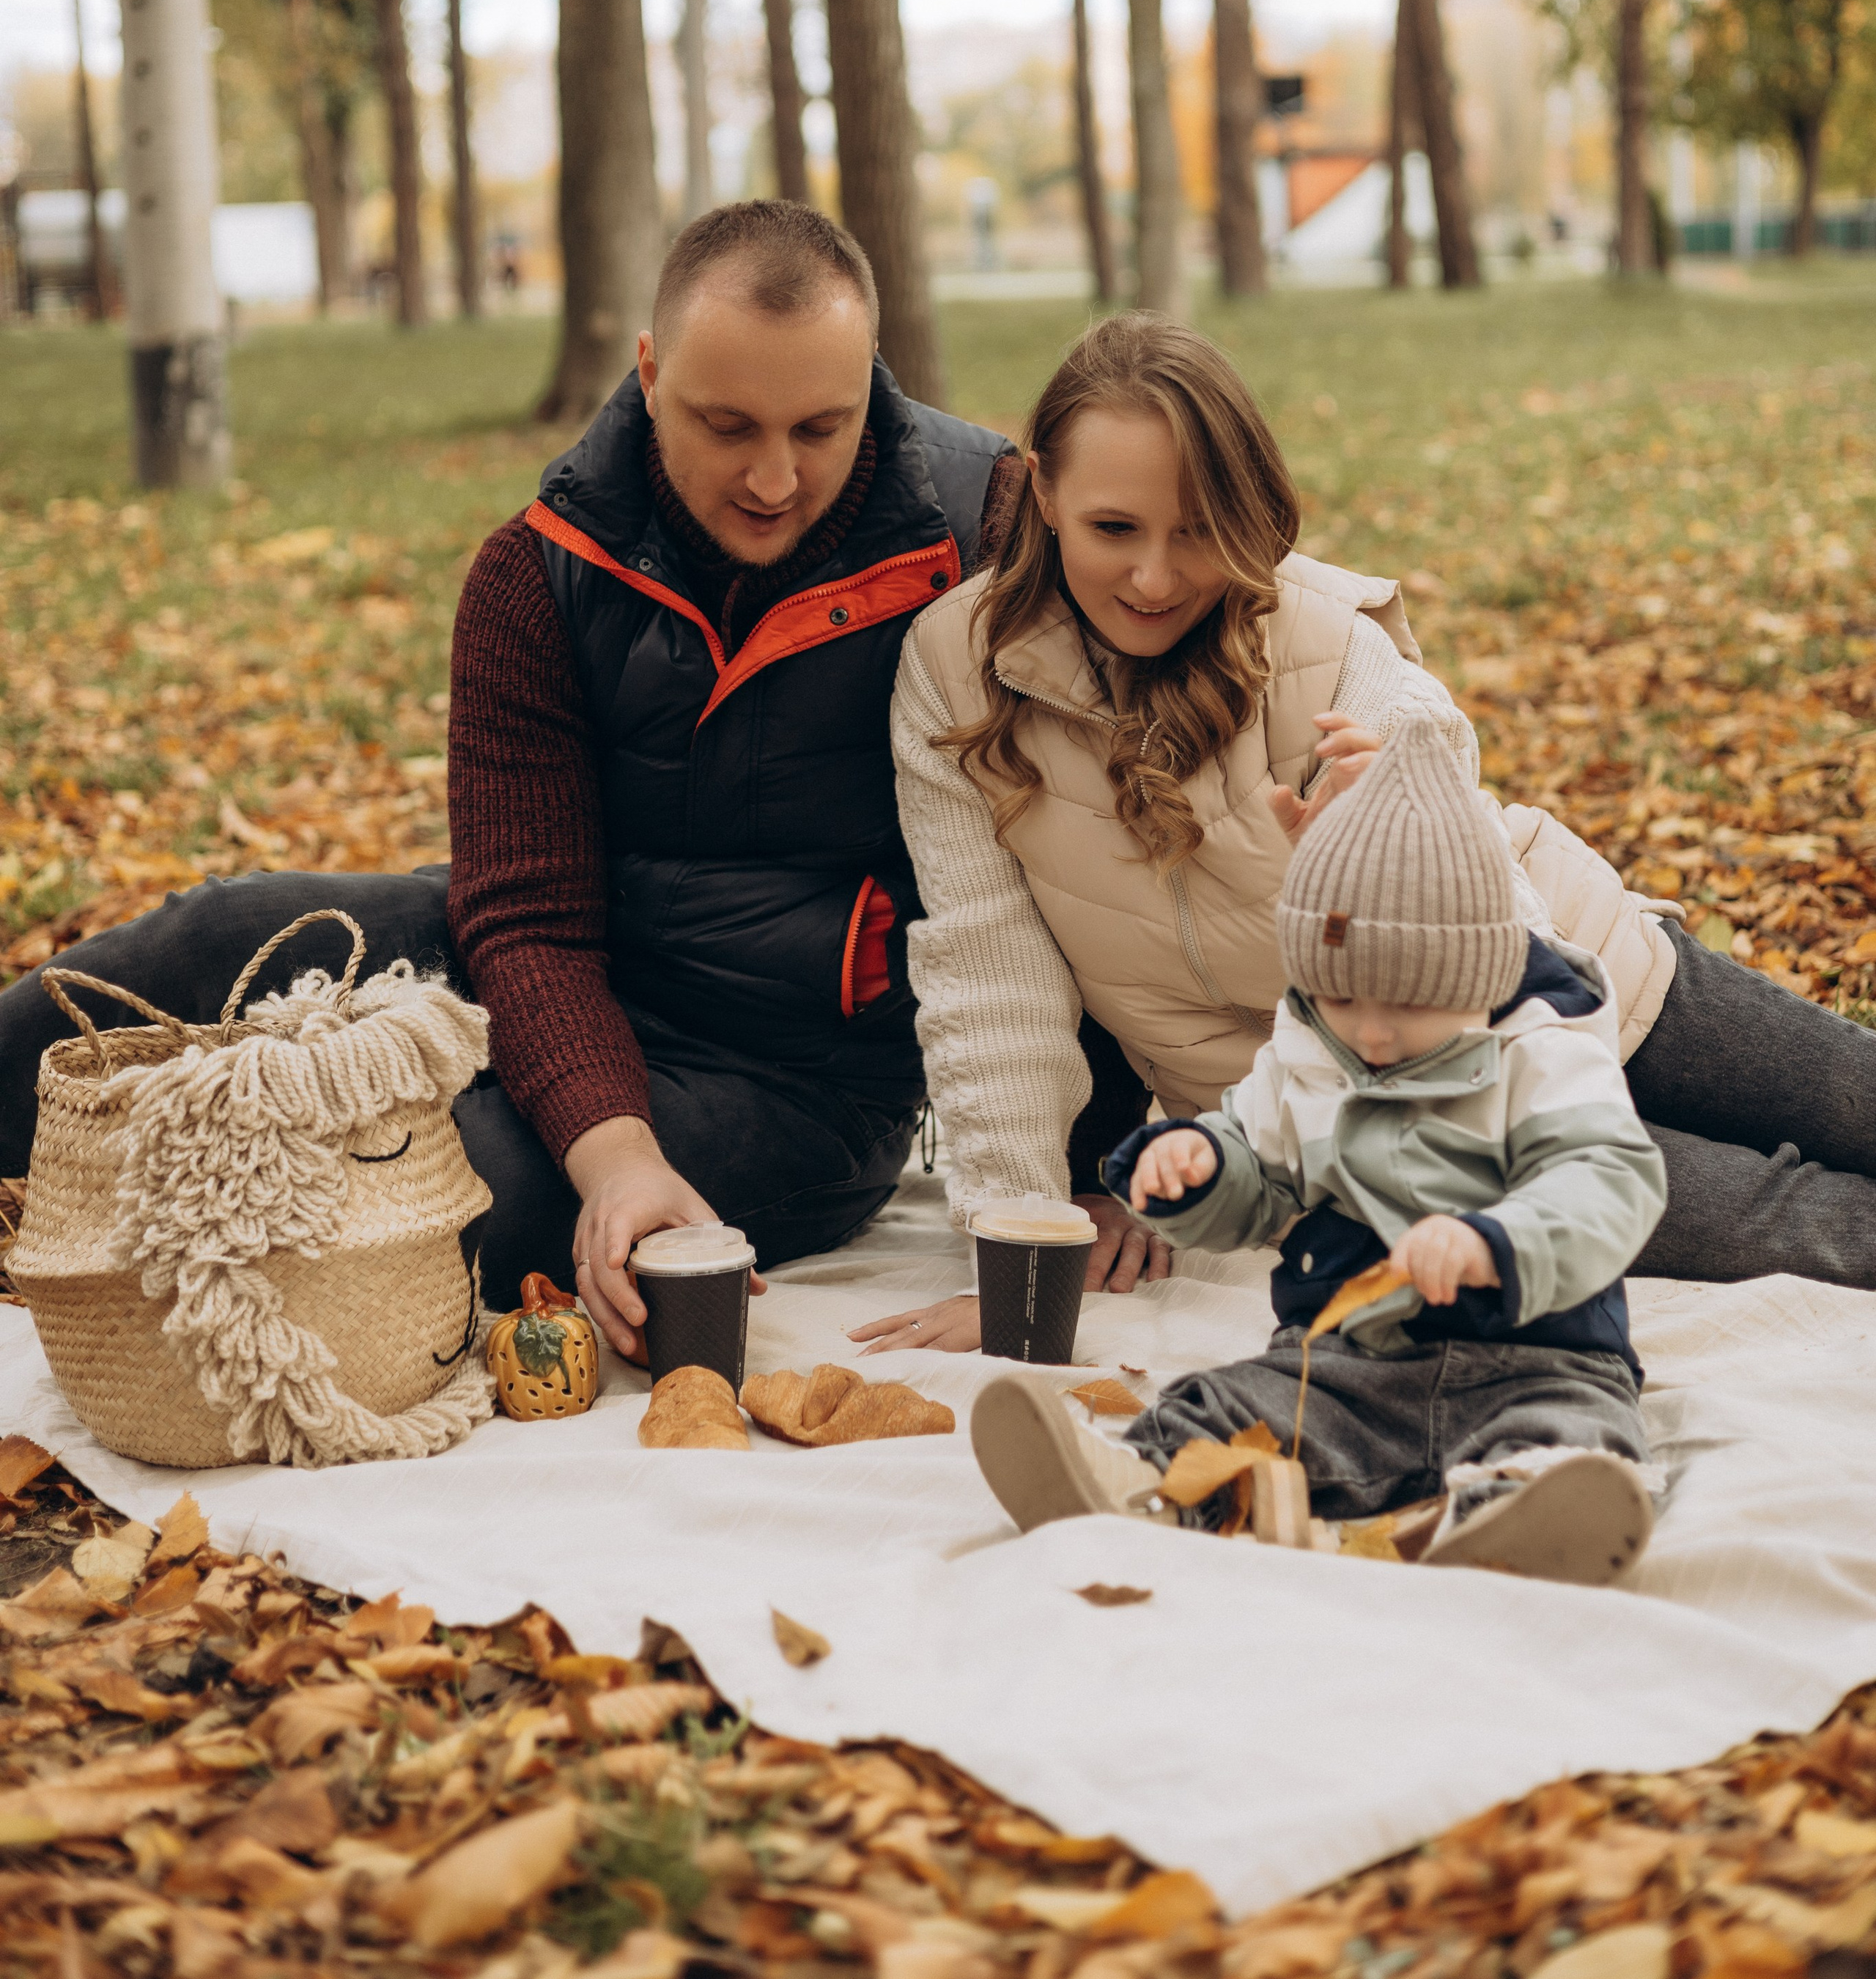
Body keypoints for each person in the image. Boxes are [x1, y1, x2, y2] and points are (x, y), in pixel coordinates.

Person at [0, 204, 1099, 1355]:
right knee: (218, 933)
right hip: (553, 957)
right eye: (726, 426)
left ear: (871, 379)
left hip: (795, 1079)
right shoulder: (535, 571)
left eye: (822, 427)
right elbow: (525, 915)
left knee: (438, 1187)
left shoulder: (989, 532)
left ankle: (132, 1222)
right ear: (648, 368)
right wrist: (614, 1147)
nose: (775, 478)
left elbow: (1100, 859)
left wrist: (1095, 1165)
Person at [856, 313, 1876, 1360]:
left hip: (1564, 972)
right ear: (1045, 499)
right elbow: (994, 981)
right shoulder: (955, 676)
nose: (1157, 579)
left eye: (1198, 529)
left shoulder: (1320, 634)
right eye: (1115, 529)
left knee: (1858, 1096)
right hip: (1381, 1133)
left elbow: (1451, 789)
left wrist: (1399, 822)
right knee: (1803, 1227)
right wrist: (1025, 1246)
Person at [969, 716, 1664, 1586]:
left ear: (1480, 979)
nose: (1368, 1033)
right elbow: (1259, 1172)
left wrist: (1496, 1241)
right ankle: (1141, 1476)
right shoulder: (1310, 1057)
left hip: (1534, 1357)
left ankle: (1522, 1505)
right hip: (1352, 1362)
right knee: (1237, 1401)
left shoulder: (1543, 1053)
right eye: (1337, 997)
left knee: (1575, 1428)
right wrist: (1198, 1169)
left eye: (1407, 1007)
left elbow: (1608, 1180)